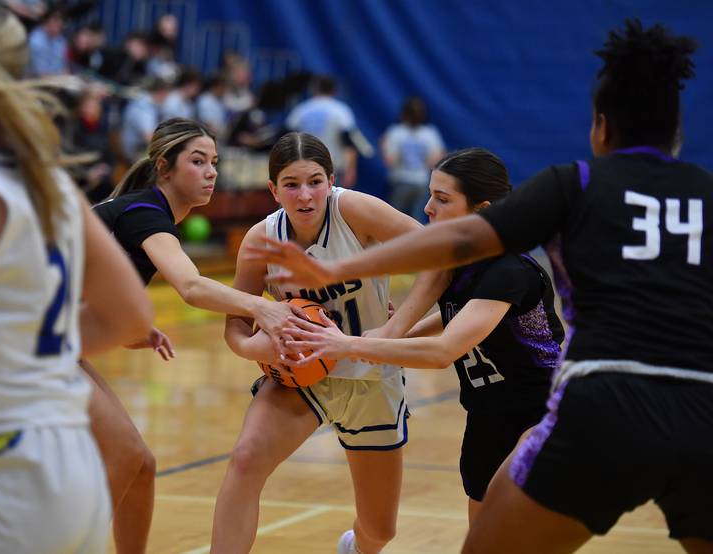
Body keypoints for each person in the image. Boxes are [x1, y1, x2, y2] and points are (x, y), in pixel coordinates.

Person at [247, 20, 713, 554]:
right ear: (677, 134)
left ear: (600, 129)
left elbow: (456, 244)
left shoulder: (574, 184)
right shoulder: (706, 193)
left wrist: (329, 275)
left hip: (602, 402)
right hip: (702, 405)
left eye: (440, 199)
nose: (429, 209)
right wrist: (392, 329)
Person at [0, 4, 153, 553]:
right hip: (77, 472)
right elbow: (131, 315)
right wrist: (27, 349)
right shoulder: (57, 192)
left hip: (1, 476)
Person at [282, 148, 564, 524]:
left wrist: (350, 344)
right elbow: (455, 318)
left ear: (481, 210)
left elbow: (445, 351)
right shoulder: (459, 263)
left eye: (443, 199)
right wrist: (392, 337)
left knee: (512, 524)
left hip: (542, 412)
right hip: (487, 414)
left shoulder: (508, 271)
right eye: (431, 194)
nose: (428, 207)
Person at [90, 118, 308, 552]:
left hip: (45, 338)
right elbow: (190, 286)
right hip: (20, 339)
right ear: (164, 168)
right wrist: (261, 306)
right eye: (198, 161)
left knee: (140, 466)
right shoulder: (144, 212)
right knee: (127, 457)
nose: (211, 171)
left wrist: (126, 326)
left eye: (214, 162)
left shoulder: (141, 214)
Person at [211, 132, 422, 554]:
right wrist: (258, 348)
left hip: (370, 375)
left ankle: (356, 548)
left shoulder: (356, 211)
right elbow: (235, 325)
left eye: (314, 181)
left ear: (331, 180)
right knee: (246, 460)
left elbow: (434, 253)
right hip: (300, 375)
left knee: (379, 531)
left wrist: (398, 327)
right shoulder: (260, 239)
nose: (304, 195)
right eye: (290, 184)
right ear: (273, 189)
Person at [381, 97, 446, 223]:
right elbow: (437, 159)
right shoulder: (430, 134)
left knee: (393, 218)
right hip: (421, 181)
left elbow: (390, 161)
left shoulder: (396, 132)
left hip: (400, 180)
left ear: (404, 114)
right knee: (417, 219)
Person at [286, 75, 359, 188]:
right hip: (332, 168)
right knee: (332, 202)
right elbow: (349, 144)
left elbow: (287, 141)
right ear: (334, 90)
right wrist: (350, 170)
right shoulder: (341, 111)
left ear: (314, 89)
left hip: (303, 166)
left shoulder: (300, 111)